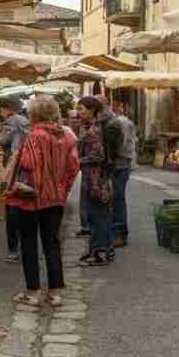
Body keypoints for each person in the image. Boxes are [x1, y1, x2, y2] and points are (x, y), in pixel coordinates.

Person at [7, 95, 79, 307]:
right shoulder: (67, 136)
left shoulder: (35, 135)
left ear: (34, 114)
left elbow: (29, 163)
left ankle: (33, 292)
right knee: (52, 243)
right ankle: (55, 292)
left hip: (32, 198)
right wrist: (62, 190)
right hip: (55, 198)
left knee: (29, 243)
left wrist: (16, 158)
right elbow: (74, 167)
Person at [75, 95, 122, 267]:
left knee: (98, 217)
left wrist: (77, 161)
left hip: (96, 180)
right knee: (98, 216)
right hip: (96, 178)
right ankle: (101, 250)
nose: (78, 112)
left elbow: (98, 155)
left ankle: (100, 253)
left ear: (92, 110)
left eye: (81, 109)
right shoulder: (91, 127)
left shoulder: (95, 130)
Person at [0, 97, 30, 264]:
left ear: (6, 109)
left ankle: (13, 251)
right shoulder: (25, 120)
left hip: (15, 163)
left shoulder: (10, 121)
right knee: (24, 206)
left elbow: (4, 141)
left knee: (12, 206)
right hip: (27, 166)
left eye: (1, 111)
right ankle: (27, 248)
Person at [111, 100, 138, 247]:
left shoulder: (122, 123)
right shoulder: (118, 122)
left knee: (118, 198)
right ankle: (116, 232)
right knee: (116, 199)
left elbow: (124, 144)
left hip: (120, 165)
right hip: (119, 164)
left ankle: (119, 233)